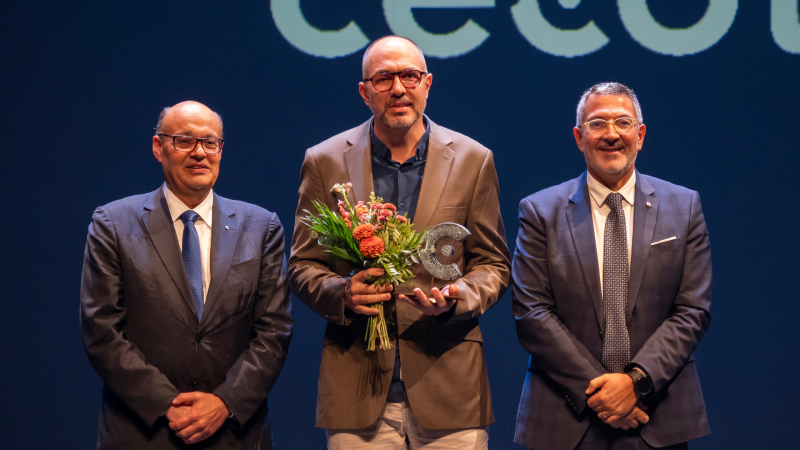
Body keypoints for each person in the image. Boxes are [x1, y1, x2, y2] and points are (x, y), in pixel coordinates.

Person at [288, 35, 510, 449]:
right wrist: (341, 293)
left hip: (449, 385)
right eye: (384, 78)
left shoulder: (473, 159)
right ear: (364, 92)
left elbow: (494, 264)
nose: (398, 88)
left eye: (409, 75)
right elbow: (302, 265)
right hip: (357, 384)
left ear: (427, 83)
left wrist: (459, 295)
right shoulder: (325, 160)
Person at [80, 101, 293, 449]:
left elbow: (275, 330)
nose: (200, 153)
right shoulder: (113, 224)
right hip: (141, 431)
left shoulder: (261, 227)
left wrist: (225, 402)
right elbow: (102, 330)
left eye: (211, 142)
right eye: (184, 140)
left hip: (234, 432)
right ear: (158, 147)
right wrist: (166, 403)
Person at [512, 82, 712, 450]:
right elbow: (531, 312)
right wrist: (604, 393)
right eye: (597, 124)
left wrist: (635, 381)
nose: (611, 135)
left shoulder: (684, 207)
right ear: (578, 136)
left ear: (640, 133)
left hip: (657, 414)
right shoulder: (539, 211)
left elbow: (692, 311)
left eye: (623, 122)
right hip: (565, 417)